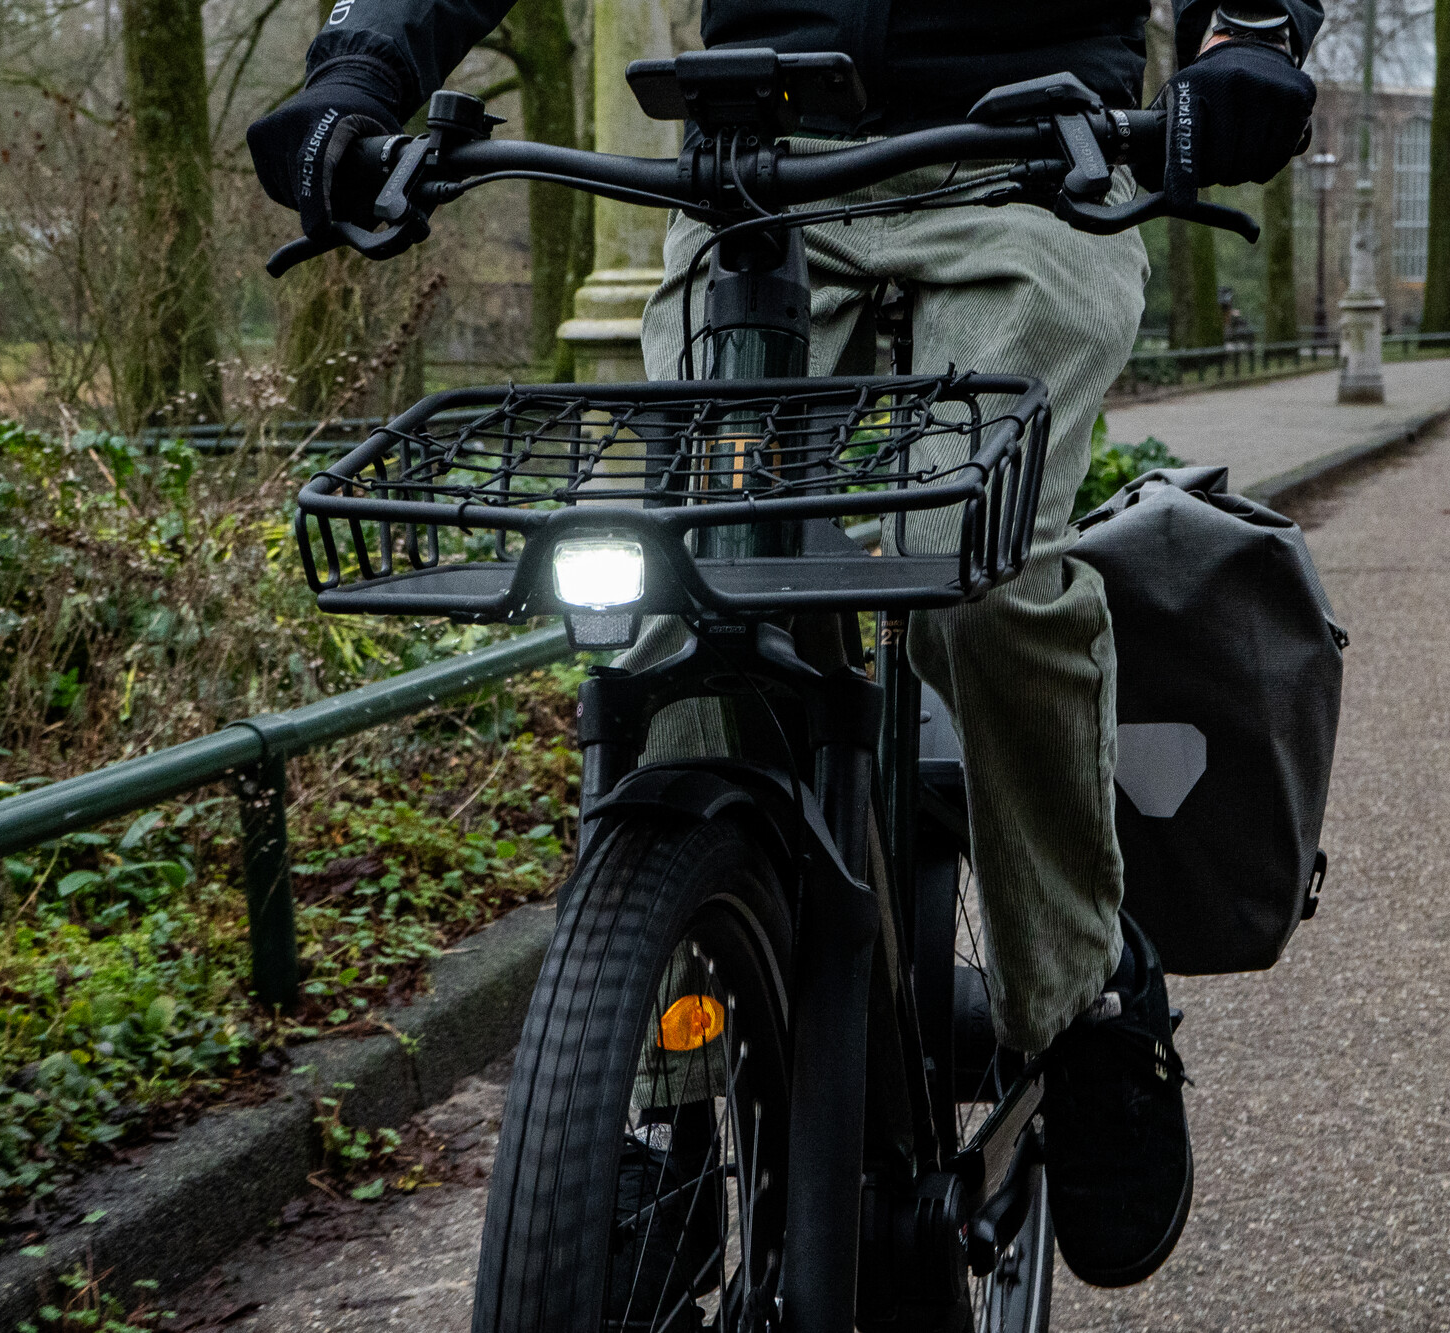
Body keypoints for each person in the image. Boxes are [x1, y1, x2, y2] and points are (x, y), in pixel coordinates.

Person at [248, 0, 1319, 1290]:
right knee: (680, 589)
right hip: (750, 173)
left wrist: (1248, 39)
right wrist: (363, 65)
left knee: (975, 568)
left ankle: (1085, 997)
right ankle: (673, 1094)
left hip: (1031, 165)